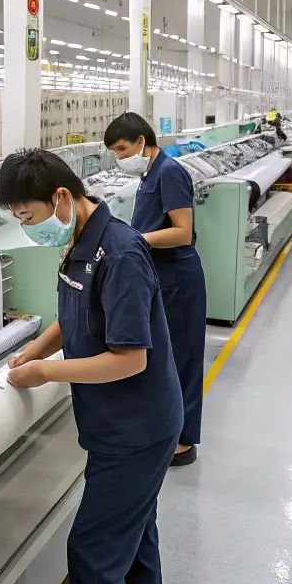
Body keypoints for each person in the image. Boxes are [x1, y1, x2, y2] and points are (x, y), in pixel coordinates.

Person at [0, 148, 182, 584]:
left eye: (28, 218)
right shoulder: (79, 243)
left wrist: (45, 372)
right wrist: (34, 349)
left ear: (59, 198)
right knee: (136, 538)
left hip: (137, 427)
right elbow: (74, 314)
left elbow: (128, 358)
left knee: (93, 551)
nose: (29, 230)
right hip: (120, 425)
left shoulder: (121, 252)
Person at [105, 113, 207, 468]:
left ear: (141, 141)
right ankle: (166, 429)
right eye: (114, 152)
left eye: (122, 149)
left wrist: (132, 242)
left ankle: (182, 441)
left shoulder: (169, 171)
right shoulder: (150, 173)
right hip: (159, 274)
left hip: (177, 274)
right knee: (165, 358)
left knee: (183, 358)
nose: (120, 157)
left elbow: (182, 232)